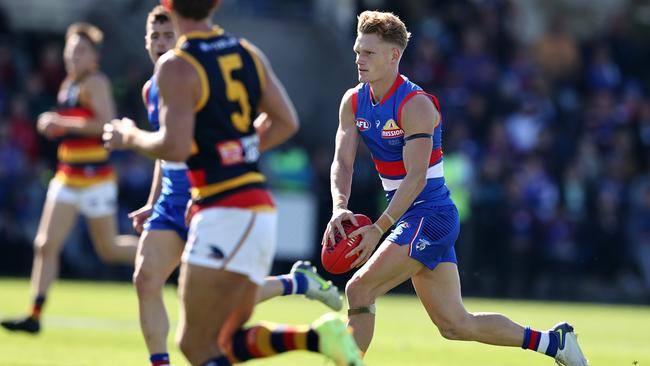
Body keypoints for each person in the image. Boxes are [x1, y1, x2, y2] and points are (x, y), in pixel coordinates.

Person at [103, 1, 363, 366]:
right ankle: (318, 337)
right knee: (223, 339)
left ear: (169, 7)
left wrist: (129, 136)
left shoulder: (176, 66)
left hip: (224, 210)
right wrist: (236, 151)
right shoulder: (246, 52)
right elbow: (286, 120)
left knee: (194, 344)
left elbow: (175, 146)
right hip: (252, 206)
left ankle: (317, 332)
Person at [323, 10, 588, 366]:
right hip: (411, 217)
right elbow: (343, 161)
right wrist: (340, 206)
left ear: (393, 56)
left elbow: (416, 178)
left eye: (368, 53)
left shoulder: (414, 105)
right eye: (358, 51)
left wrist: (378, 230)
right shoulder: (353, 101)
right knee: (455, 324)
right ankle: (555, 344)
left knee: (359, 288)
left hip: (429, 214)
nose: (359, 59)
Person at [1, 22, 139, 334]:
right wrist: (53, 125)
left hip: (94, 177)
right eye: (70, 50)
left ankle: (170, 254)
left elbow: (106, 123)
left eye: (80, 51)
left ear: (94, 57)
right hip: (67, 175)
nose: (72, 56)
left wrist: (59, 122)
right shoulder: (69, 83)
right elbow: (75, 123)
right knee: (45, 245)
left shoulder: (96, 82)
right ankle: (34, 315)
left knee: (109, 249)